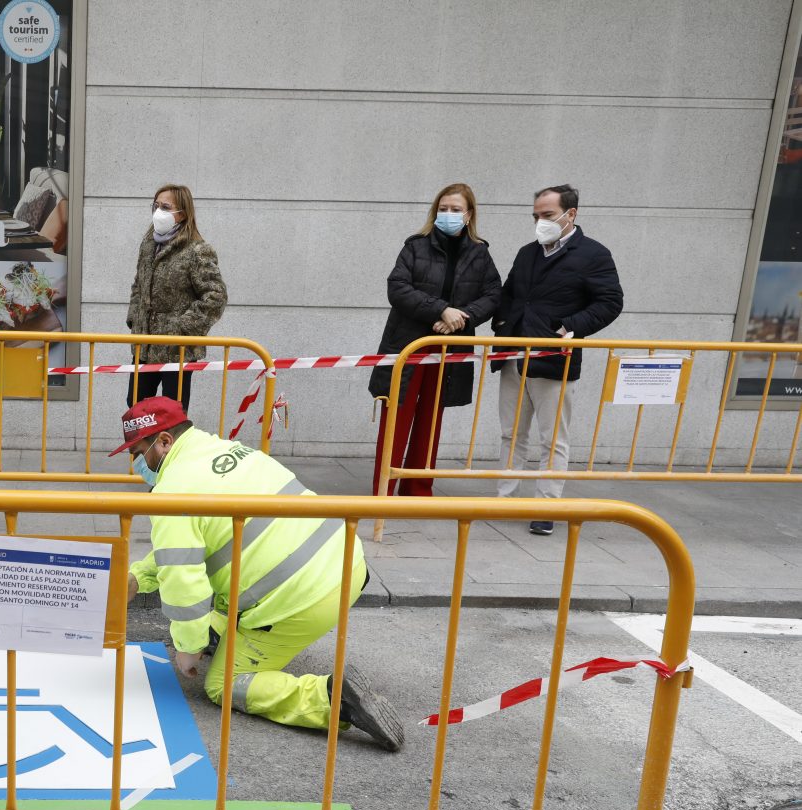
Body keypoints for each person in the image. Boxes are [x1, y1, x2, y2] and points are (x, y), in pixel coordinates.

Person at [116, 397, 404, 751]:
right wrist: (139, 576)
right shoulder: (231, 450)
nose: (138, 464)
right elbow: (191, 545)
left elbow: (183, 580)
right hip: (348, 564)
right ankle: (222, 635)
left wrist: (187, 648)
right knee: (217, 616)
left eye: (139, 452)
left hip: (300, 599)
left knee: (222, 684)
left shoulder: (171, 492)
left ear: (164, 442)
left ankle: (331, 698)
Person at [492, 185, 624, 535]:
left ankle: (546, 506)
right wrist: (503, 326)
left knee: (552, 438)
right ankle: (505, 498)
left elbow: (610, 302)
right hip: (514, 356)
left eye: (548, 215)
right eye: (536, 215)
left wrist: (570, 327)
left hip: (554, 359)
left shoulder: (593, 254)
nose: (540, 221)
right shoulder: (527, 253)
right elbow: (509, 294)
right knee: (511, 433)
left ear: (571, 214)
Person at [369, 183, 502, 496]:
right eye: (443, 209)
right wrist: (441, 310)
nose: (448, 214)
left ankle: (417, 490)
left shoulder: (480, 253)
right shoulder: (415, 246)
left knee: (430, 420)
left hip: (450, 348)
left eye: (456, 209)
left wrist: (462, 317)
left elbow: (493, 294)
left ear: (469, 215)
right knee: (396, 417)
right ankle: (382, 492)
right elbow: (397, 288)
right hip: (408, 344)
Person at [125, 183, 228, 409]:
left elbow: (216, 296)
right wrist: (135, 317)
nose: (158, 212)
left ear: (182, 213)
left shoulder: (196, 250)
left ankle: (174, 437)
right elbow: (139, 283)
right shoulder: (148, 244)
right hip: (145, 344)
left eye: (165, 207)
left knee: (173, 411)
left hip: (177, 351)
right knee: (136, 406)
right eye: (156, 206)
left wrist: (182, 328)